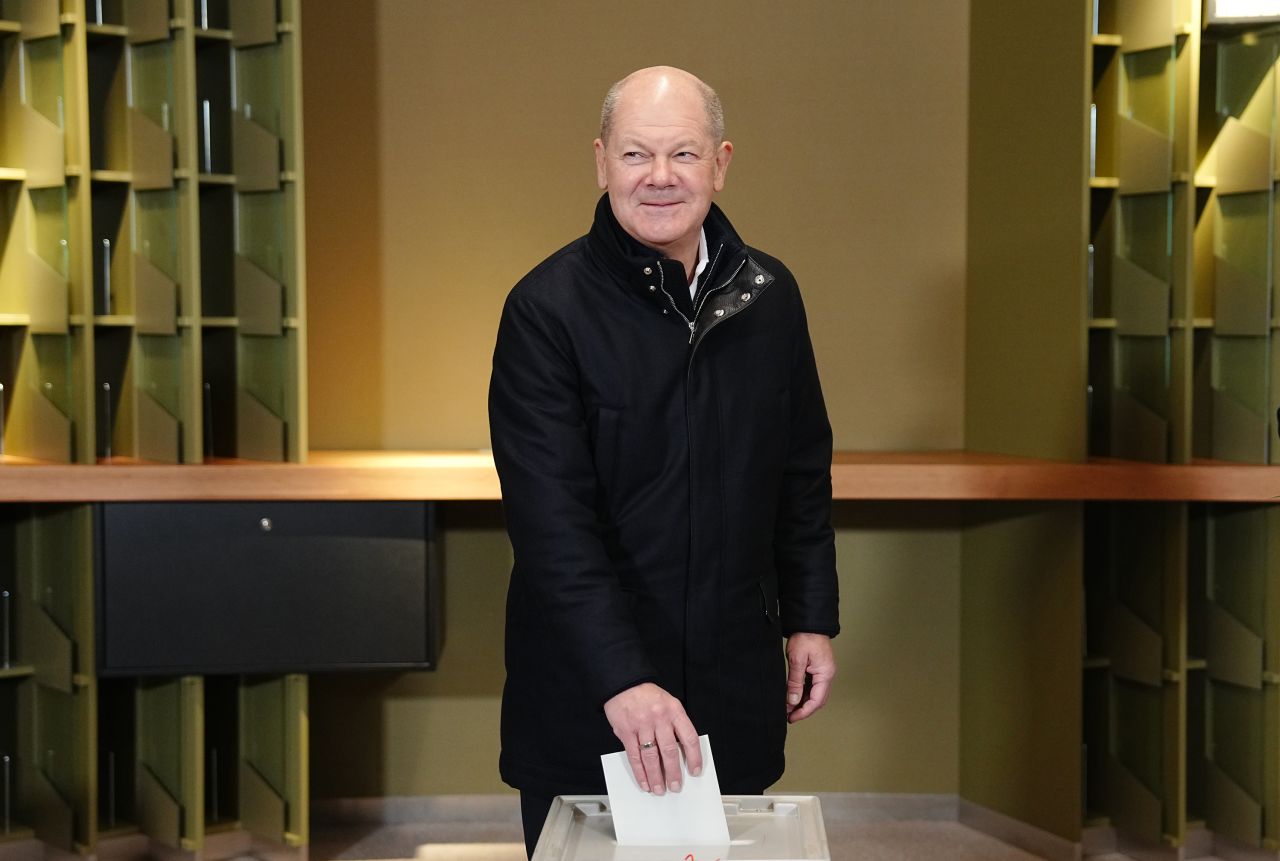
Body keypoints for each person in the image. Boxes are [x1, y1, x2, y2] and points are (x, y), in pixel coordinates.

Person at [488, 66, 840, 859]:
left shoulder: (769, 296)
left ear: (719, 163)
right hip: (587, 690)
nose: (659, 177)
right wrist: (623, 679)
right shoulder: (545, 311)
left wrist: (812, 614)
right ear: (602, 161)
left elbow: (800, 472)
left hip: (732, 677)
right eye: (637, 154)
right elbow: (552, 527)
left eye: (682, 154)